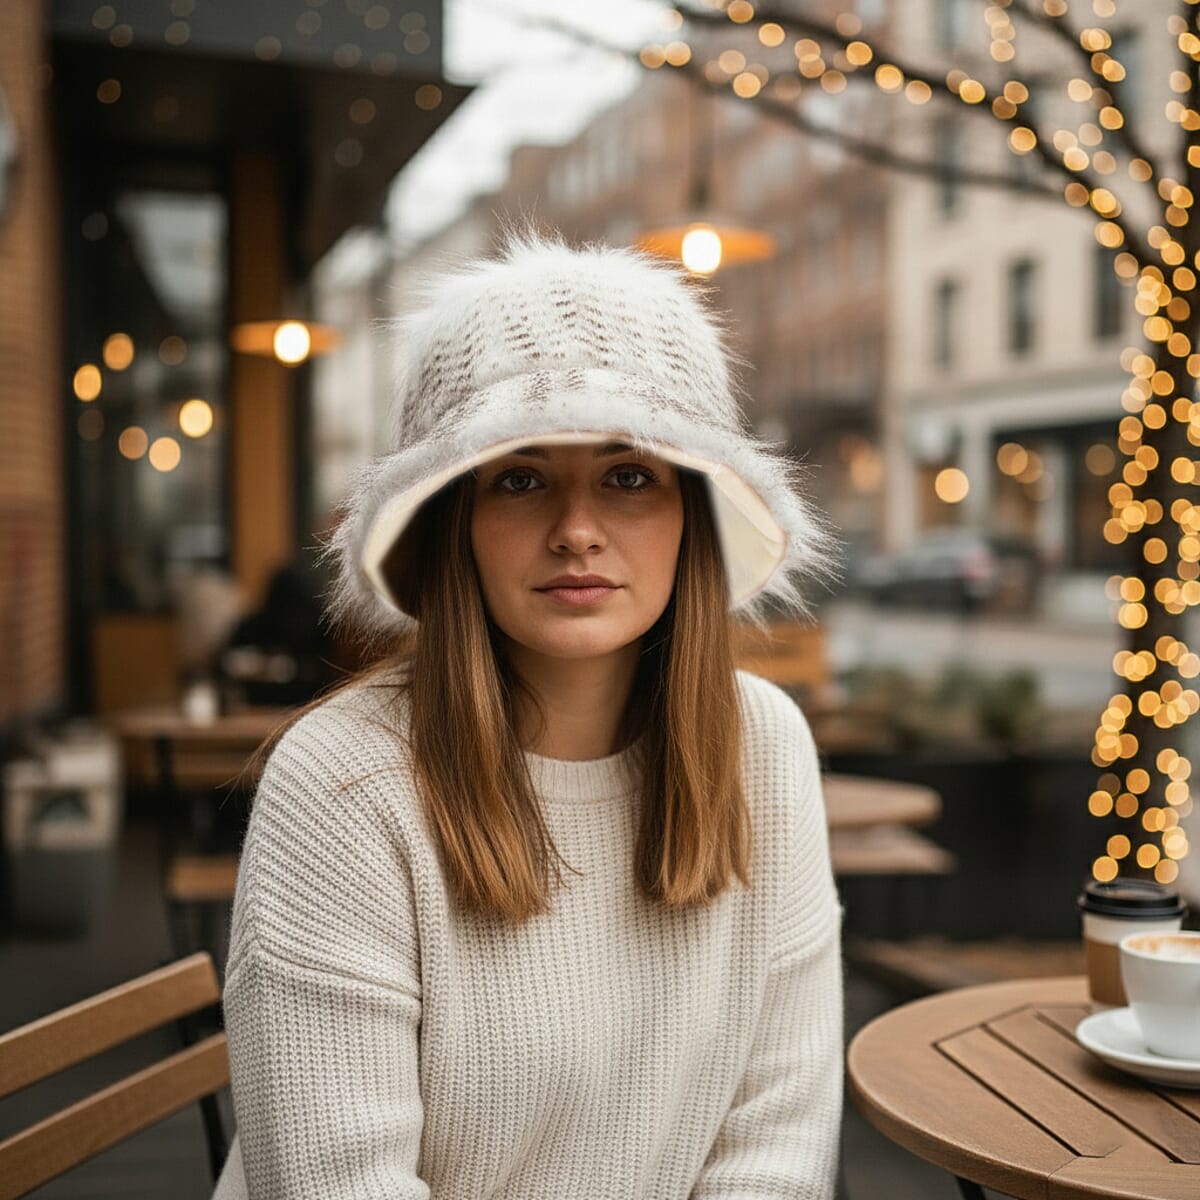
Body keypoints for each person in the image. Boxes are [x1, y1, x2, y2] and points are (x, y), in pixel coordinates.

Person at [212, 229, 844, 1199]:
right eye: (520, 476)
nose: (577, 529)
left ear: (696, 516)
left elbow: (777, 1144)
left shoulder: (765, 744)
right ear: (454, 520)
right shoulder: (340, 786)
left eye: (630, 476)